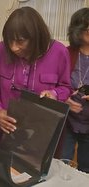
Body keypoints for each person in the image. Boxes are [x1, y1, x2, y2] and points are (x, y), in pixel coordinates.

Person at [0, 6, 71, 145]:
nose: (13, 47)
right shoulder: (2, 49)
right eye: (9, 40)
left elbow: (66, 87)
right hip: (6, 131)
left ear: (36, 37)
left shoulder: (59, 52)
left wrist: (54, 93)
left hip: (41, 135)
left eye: (20, 41)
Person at [61, 7, 89, 173]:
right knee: (61, 165)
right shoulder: (66, 53)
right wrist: (65, 99)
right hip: (67, 122)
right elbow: (55, 86)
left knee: (86, 170)